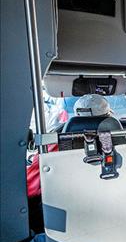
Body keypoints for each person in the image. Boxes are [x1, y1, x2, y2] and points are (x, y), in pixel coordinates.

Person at [26, 94, 112, 232]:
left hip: (68, 220)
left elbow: (31, 188)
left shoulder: (54, 145)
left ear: (76, 116)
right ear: (109, 114)